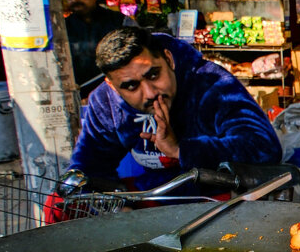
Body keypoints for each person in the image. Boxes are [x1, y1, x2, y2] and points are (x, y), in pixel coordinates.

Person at [68, 27, 283, 188]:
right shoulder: (105, 102)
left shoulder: (211, 84)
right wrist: (117, 208)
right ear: (112, 86)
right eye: (131, 86)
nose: (150, 93)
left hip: (215, 199)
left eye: (154, 75)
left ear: (169, 60)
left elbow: (264, 146)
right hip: (154, 195)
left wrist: (180, 149)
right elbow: (89, 165)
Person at [61, 0, 135, 92]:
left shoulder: (120, 21)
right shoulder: (62, 28)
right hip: (81, 94)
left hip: (119, 91)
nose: (74, 0)